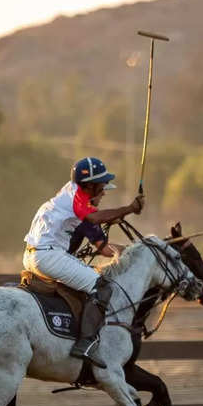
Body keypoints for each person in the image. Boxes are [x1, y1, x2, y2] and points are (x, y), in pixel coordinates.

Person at [23, 157, 144, 368]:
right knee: (103, 287)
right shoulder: (77, 198)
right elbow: (95, 220)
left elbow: (101, 235)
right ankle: (86, 344)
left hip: (32, 255)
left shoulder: (70, 190)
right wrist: (129, 208)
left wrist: (133, 248)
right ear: (89, 185)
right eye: (102, 185)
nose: (104, 191)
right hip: (49, 256)